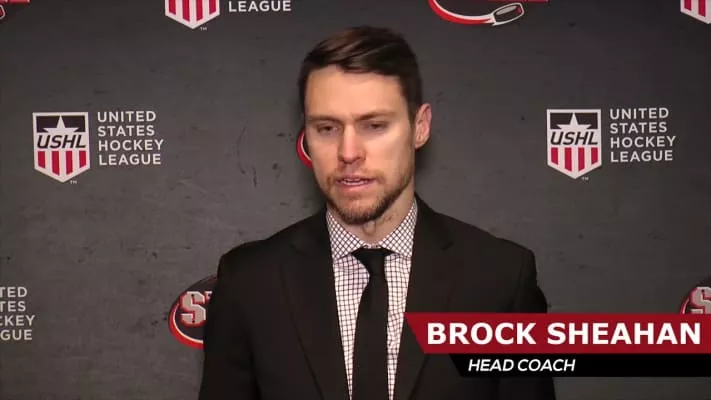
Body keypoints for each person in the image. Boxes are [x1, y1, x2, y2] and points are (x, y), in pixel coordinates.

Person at [198, 25, 555, 400]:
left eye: (374, 126)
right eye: (327, 128)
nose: (348, 152)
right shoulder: (250, 284)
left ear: (420, 127)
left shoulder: (500, 280)